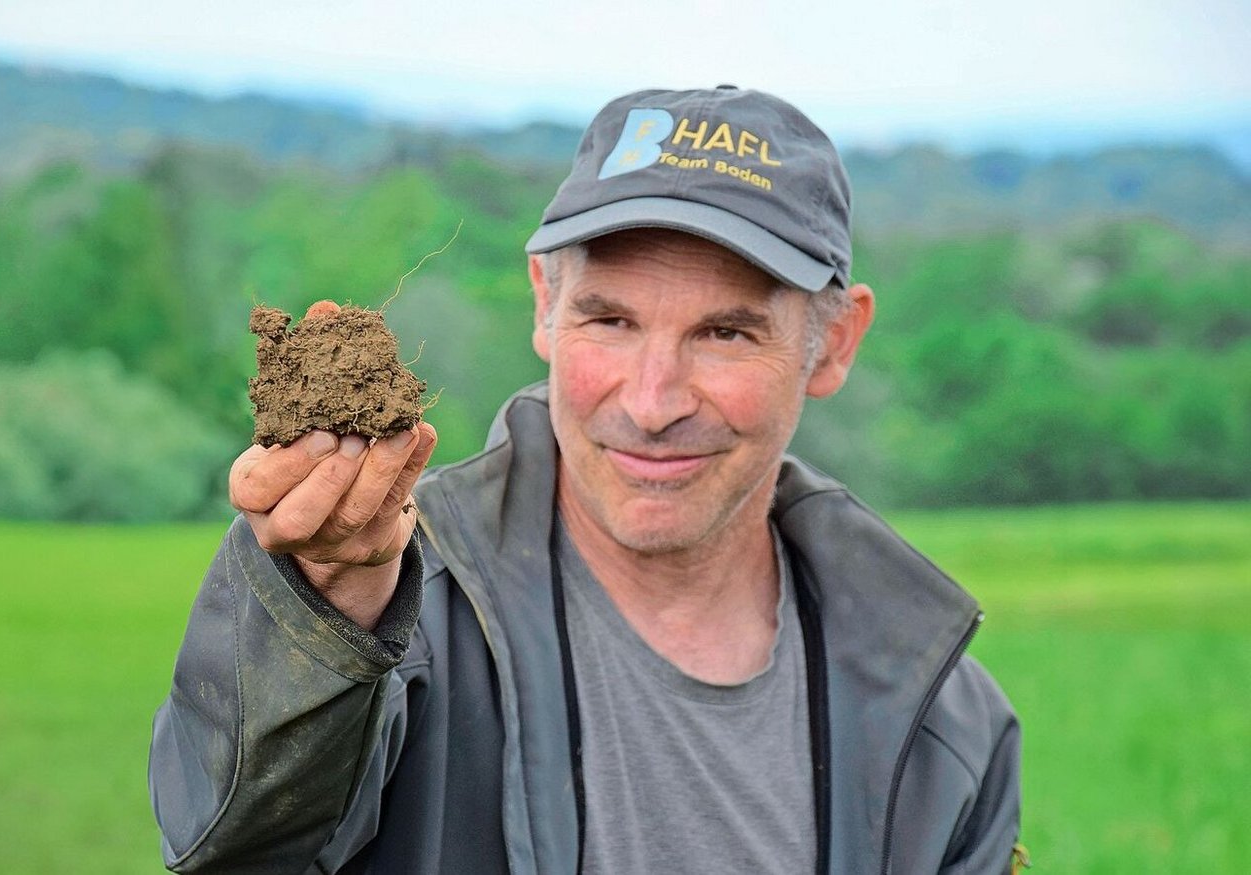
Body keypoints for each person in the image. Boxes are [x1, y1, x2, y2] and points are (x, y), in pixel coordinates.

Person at [149, 86, 1022, 874]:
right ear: (544, 302)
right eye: (610, 320)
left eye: (725, 333)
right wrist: (321, 611)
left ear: (832, 343)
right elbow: (231, 851)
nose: (651, 403)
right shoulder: (393, 618)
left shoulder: (943, 729)